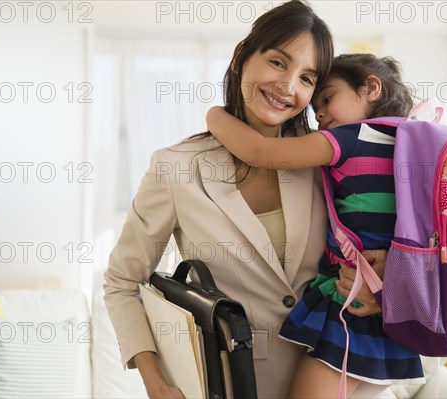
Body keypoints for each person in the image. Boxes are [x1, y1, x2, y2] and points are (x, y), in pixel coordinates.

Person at [103, 1, 337, 398]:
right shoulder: (177, 167)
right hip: (229, 382)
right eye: (278, 63)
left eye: (307, 78)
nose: (289, 87)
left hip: (327, 377)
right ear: (241, 56)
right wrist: (155, 381)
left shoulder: (325, 165)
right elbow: (122, 282)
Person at [205, 53, 426, 398]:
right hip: (390, 307)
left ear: (370, 88)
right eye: (315, 107)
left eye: (328, 98)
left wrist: (213, 114)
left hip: (352, 308)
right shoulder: (410, 142)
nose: (319, 113)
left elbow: (261, 152)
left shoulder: (350, 139)